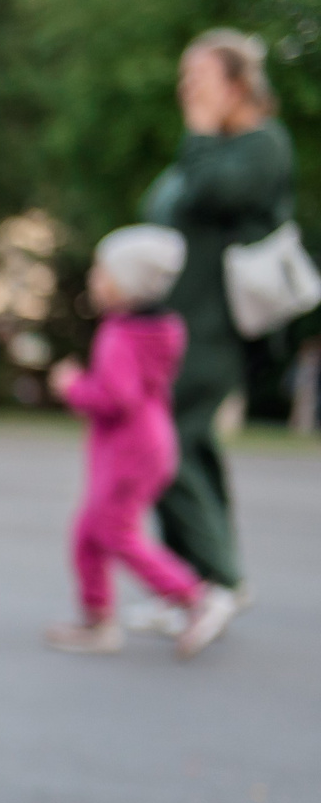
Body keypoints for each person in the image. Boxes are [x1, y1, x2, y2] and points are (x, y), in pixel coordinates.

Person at [138, 27, 291, 621]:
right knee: (190, 447)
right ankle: (192, 583)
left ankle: (217, 581)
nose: (186, 90)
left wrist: (199, 133)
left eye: (198, 77)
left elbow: (210, 191)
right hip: (174, 323)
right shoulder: (208, 145)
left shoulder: (261, 144)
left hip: (212, 326)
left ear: (237, 85)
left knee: (166, 445)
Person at [43, 226, 234, 658]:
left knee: (113, 531)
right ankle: (97, 620)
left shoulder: (119, 337)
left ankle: (196, 598)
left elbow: (115, 397)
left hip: (130, 450)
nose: (93, 280)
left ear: (125, 283)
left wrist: (72, 386)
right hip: (148, 444)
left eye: (100, 272)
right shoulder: (157, 330)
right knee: (89, 534)